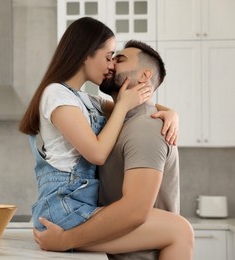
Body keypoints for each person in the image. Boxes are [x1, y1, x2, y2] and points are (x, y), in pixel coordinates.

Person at [32, 39, 194, 259]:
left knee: (181, 230)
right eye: (109, 58)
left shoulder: (146, 127)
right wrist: (171, 111)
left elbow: (135, 210)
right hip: (115, 246)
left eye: (119, 59)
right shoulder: (114, 120)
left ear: (145, 76)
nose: (111, 65)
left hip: (138, 252)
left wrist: (66, 240)